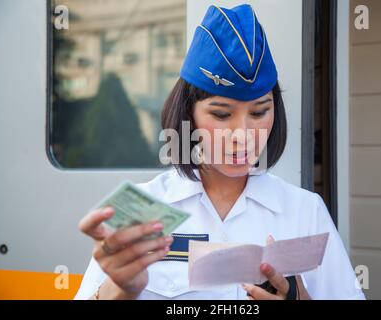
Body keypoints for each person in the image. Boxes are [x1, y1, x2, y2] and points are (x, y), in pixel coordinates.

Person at [75, 4, 365, 300]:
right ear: (188, 115)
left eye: (259, 112)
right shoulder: (143, 213)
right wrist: (120, 289)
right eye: (222, 115)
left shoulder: (305, 212)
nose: (243, 136)